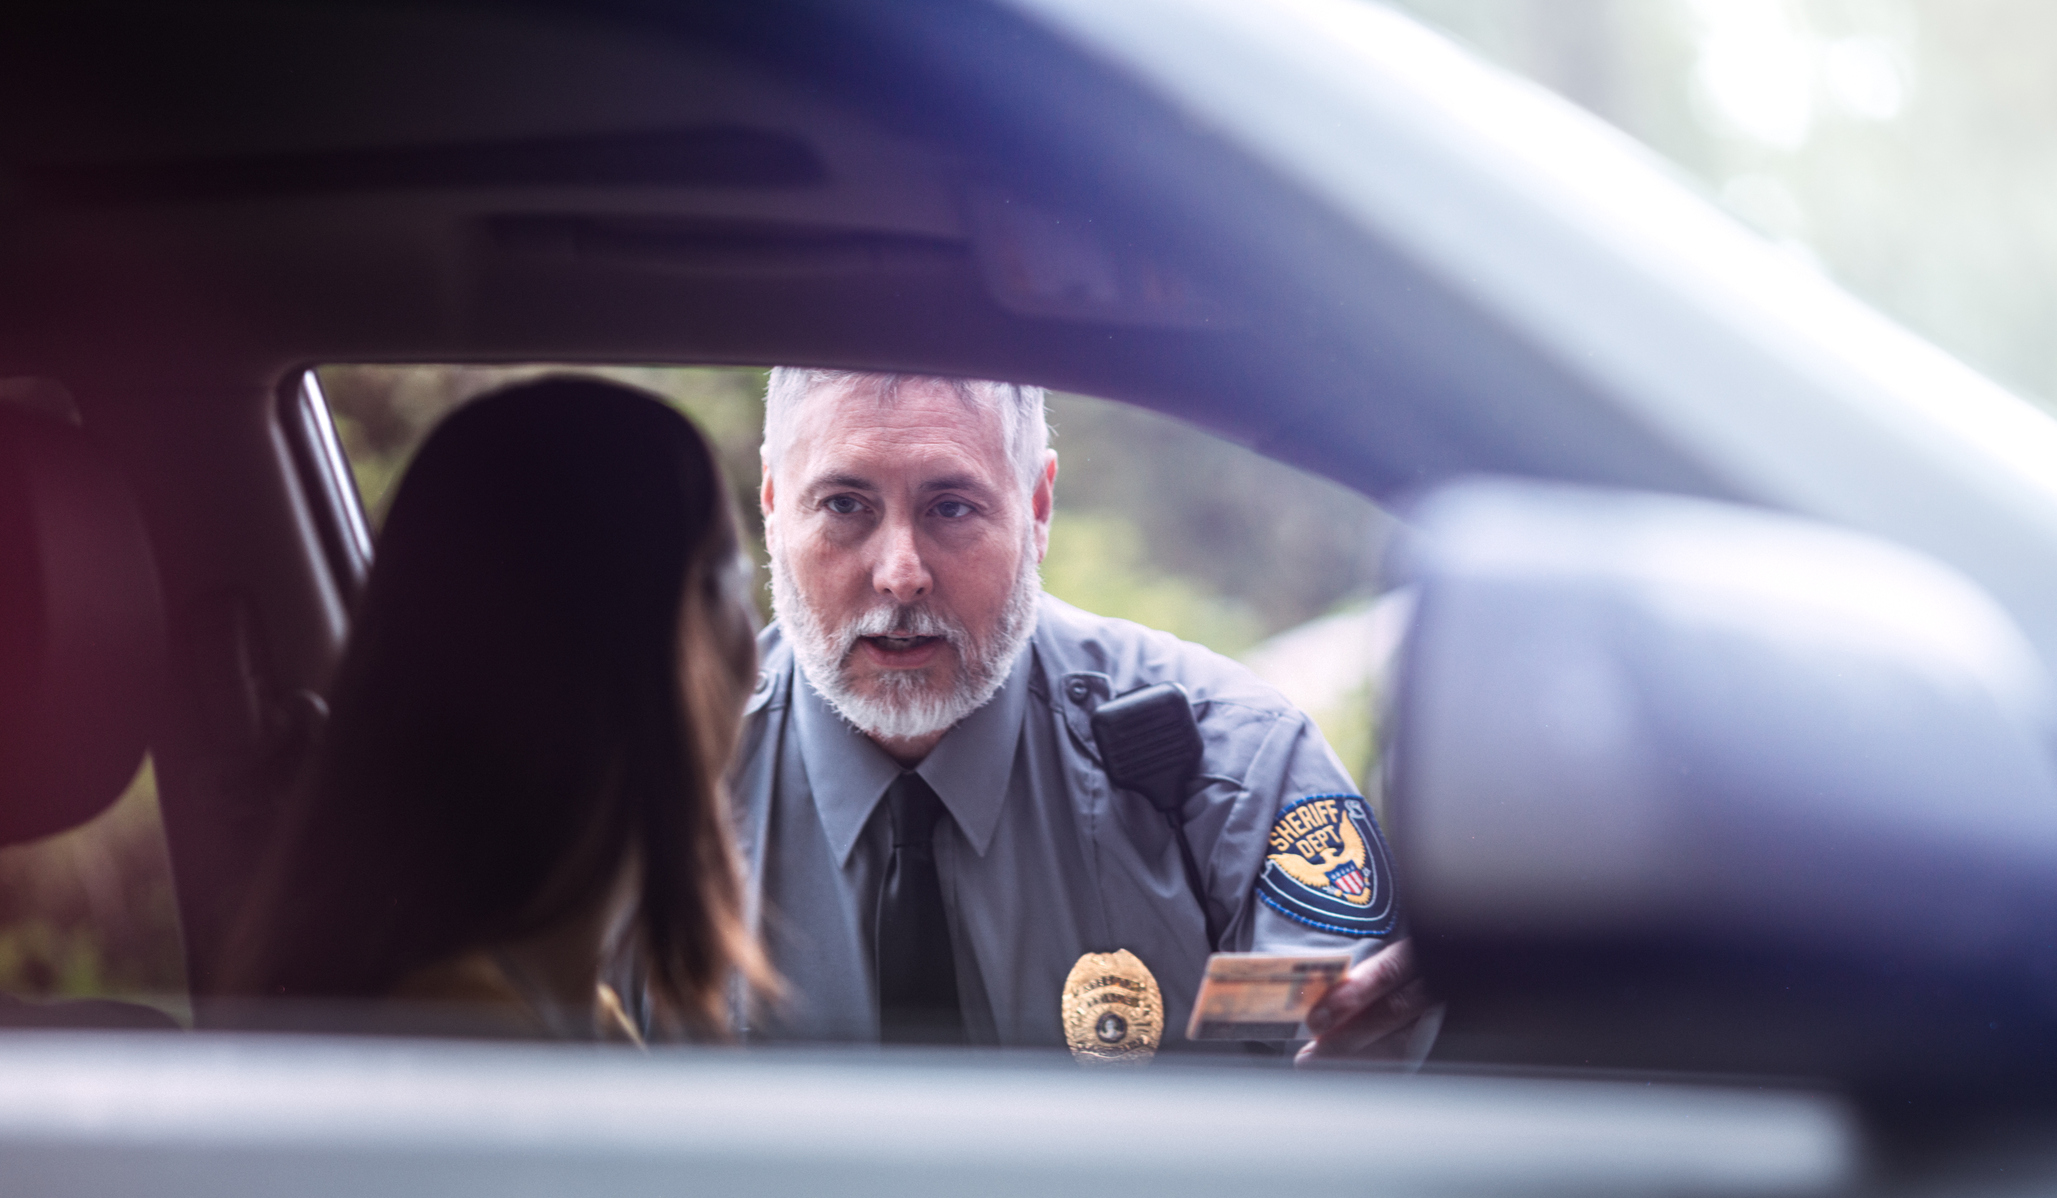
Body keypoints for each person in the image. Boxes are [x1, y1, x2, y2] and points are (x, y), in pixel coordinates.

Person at [731, 368, 1426, 1060]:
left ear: (1036, 508)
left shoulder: (1230, 762)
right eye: (846, 505)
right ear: (771, 505)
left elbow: (1333, 1050)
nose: (901, 573)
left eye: (950, 508)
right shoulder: (661, 779)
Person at [226, 379, 773, 1040]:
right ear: (626, 653)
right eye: (727, 581)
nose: (754, 645)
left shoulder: (544, 1008)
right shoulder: (471, 1044)